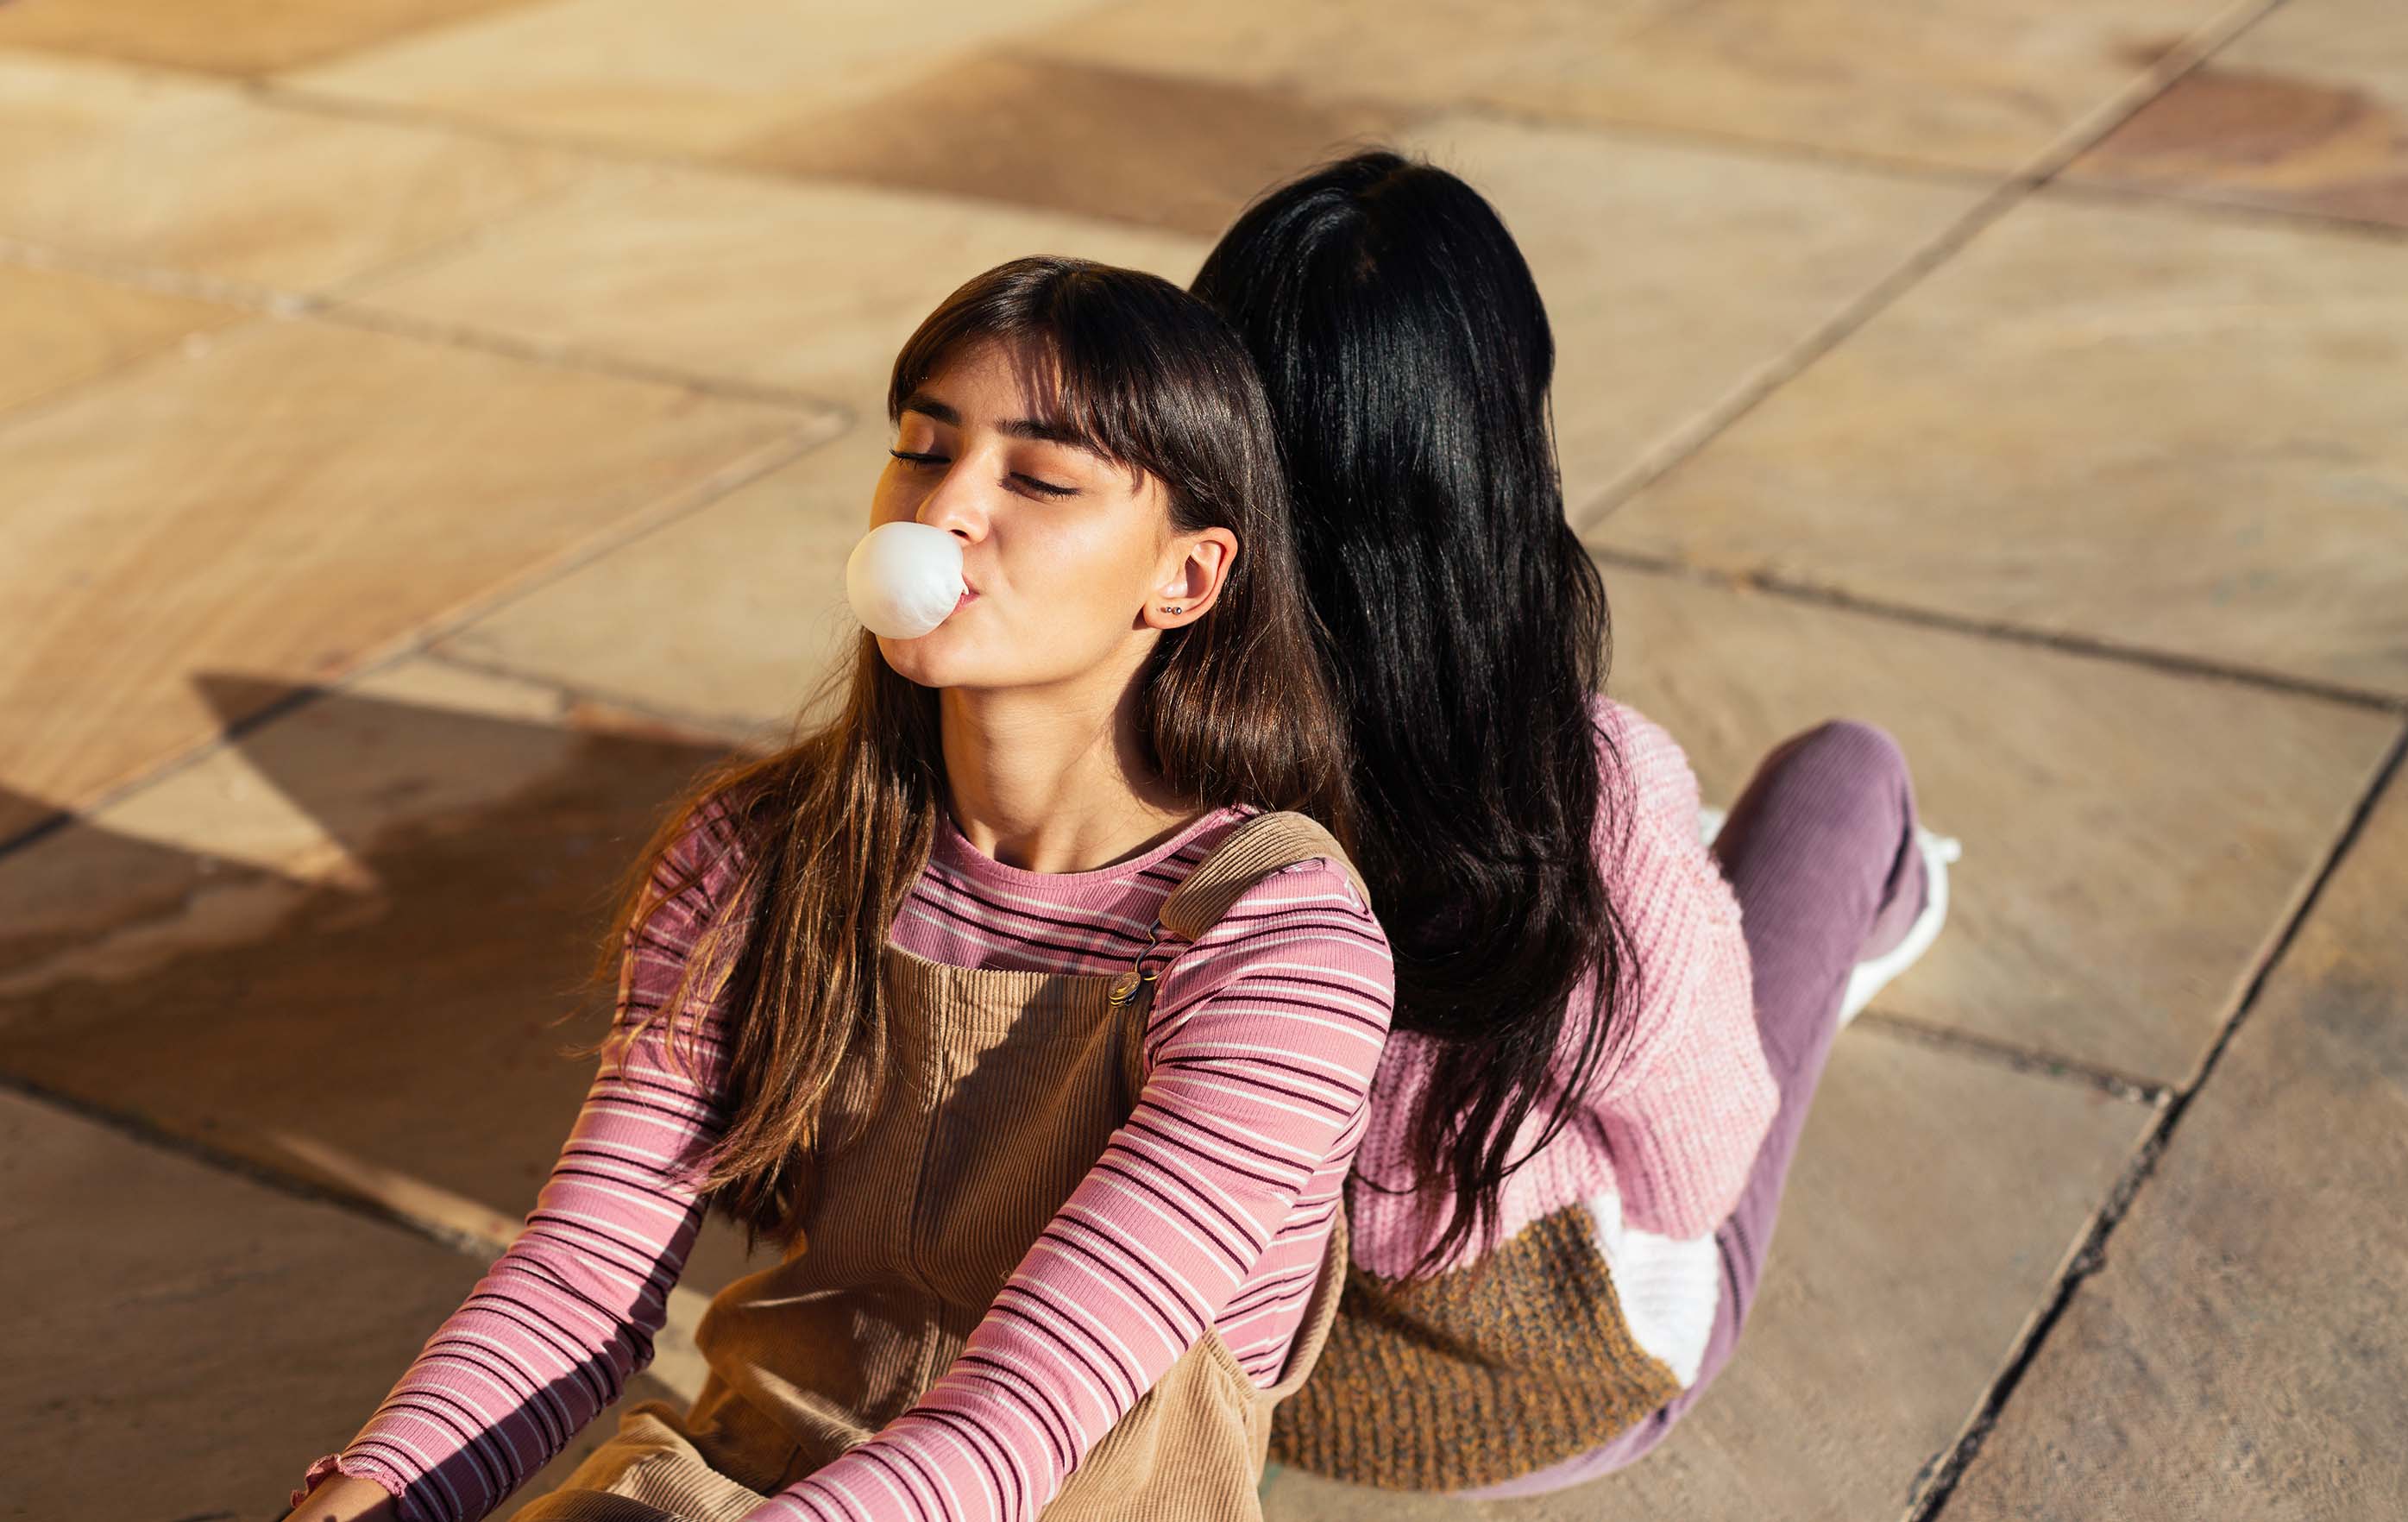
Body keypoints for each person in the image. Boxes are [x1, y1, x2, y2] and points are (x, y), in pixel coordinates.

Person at [282, 257, 1394, 1522]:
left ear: (1185, 579)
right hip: (750, 1478)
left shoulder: (1283, 946)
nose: (948, 509)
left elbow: (1026, 1411)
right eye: (925, 450)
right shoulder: (760, 849)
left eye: (1037, 477)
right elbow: (583, 1274)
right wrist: (362, 1498)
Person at [1191, 153, 1959, 1494]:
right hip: (1545, 1398)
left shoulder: (1137, 731)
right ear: (1500, 450)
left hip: (1244, 1369)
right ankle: (1853, 929)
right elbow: (1695, 1179)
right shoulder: (1581, 800)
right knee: (1848, 777)